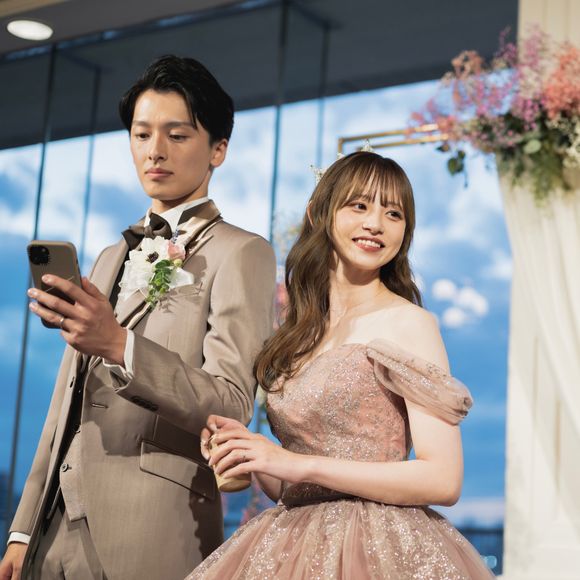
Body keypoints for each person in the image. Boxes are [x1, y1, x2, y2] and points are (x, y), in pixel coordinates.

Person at [0, 55, 276, 580]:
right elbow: (65, 399)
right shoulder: (109, 256)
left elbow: (232, 403)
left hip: (154, 529)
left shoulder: (242, 252)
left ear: (218, 149)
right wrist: (22, 530)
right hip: (52, 535)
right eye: (142, 134)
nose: (155, 150)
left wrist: (119, 345)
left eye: (178, 135)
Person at [187, 151, 494, 579]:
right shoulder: (297, 335)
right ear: (318, 213)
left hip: (380, 546)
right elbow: (295, 488)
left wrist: (295, 463)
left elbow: (443, 479)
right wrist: (251, 456)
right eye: (359, 206)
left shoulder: (408, 323)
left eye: (393, 213)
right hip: (291, 543)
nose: (376, 224)